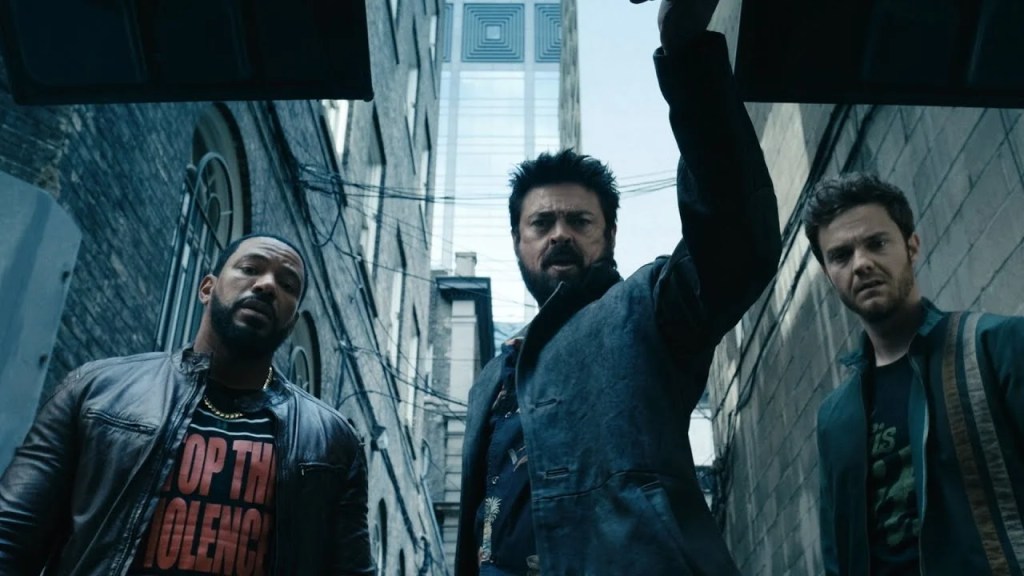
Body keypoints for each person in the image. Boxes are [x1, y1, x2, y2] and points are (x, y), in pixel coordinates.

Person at [453, 0, 782, 573]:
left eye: (579, 221)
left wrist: (686, 55)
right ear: (517, 241)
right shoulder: (490, 379)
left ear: (609, 236)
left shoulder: (646, 310)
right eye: (541, 223)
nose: (560, 234)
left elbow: (734, 243)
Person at [0, 233, 374, 575]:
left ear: (291, 323)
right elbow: (11, 533)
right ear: (207, 288)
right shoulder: (97, 389)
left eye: (287, 285)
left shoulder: (331, 441)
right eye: (250, 269)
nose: (266, 285)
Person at [808, 173, 1024, 575]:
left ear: (911, 245)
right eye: (840, 256)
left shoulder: (996, 346)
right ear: (828, 274)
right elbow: (837, 554)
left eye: (876, 243)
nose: (861, 264)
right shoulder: (834, 418)